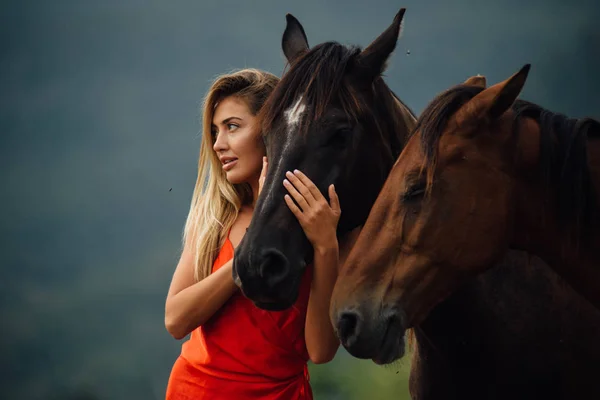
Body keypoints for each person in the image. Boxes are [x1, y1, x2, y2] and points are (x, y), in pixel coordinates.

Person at [164, 69, 342, 399]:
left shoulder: (318, 222)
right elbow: (175, 320)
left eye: (232, 126)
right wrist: (248, 255)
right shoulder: (217, 216)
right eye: (215, 132)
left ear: (271, 127)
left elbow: (320, 352)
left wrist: (326, 246)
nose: (218, 145)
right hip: (197, 390)